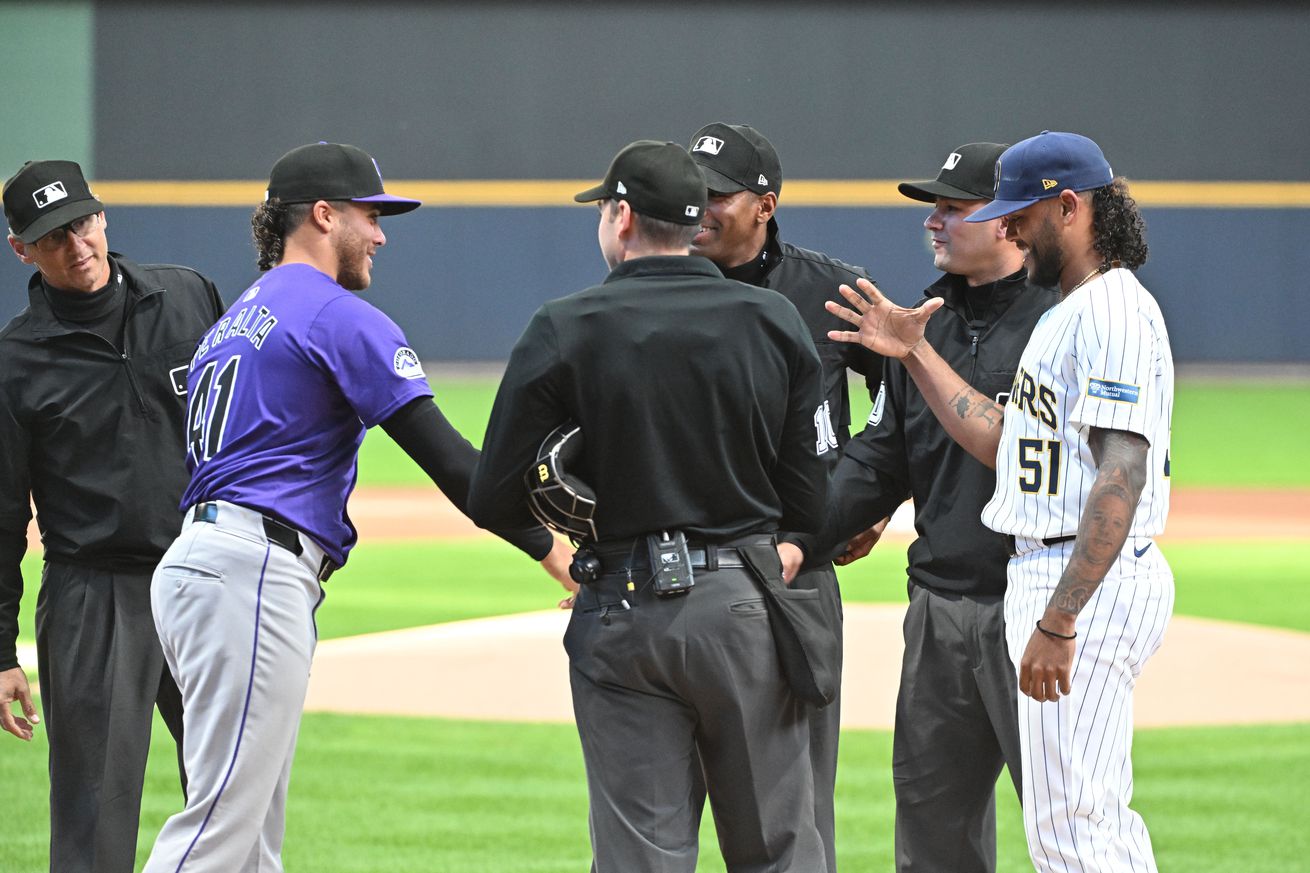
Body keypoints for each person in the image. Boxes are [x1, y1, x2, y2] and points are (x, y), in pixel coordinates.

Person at [141, 142, 573, 873]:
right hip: (251, 575)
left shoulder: (239, 318)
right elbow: (458, 469)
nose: (380, 234)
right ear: (322, 214)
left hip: (199, 567)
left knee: (247, 842)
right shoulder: (337, 317)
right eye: (370, 215)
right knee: (215, 836)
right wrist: (564, 555)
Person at [468, 140, 834, 872]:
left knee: (641, 856)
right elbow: (809, 501)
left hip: (620, 609)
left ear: (623, 216)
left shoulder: (566, 325)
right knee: (777, 849)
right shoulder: (773, 320)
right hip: (744, 604)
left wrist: (561, 547)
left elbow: (491, 494)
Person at [827, 131, 1174, 873]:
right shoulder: (1073, 313)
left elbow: (1122, 472)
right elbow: (1006, 440)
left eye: (1023, 212)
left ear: (1072, 206)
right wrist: (917, 352)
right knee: (1084, 826)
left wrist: (1059, 617)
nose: (1010, 225)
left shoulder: (1108, 311)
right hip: (1046, 579)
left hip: (1072, 587)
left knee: (1075, 834)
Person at [780, 142, 1057, 872]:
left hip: (1035, 606)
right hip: (939, 613)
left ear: (1008, 222)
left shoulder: (1063, 325)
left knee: (1070, 829)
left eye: (952, 207)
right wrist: (792, 538)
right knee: (934, 839)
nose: (933, 221)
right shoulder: (923, 323)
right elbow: (877, 463)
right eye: (932, 207)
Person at [1, 159, 224, 873]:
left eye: (80, 223)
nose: (76, 245)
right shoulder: (15, 362)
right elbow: (4, 512)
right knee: (92, 820)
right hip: (94, 598)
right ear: (21, 250)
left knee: (234, 797)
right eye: (52, 236)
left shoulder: (188, 296)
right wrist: (0, 649)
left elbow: (246, 428)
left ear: (102, 216)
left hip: (206, 576)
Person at [687, 121, 884, 870]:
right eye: (692, 192)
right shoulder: (661, 285)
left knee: (795, 806)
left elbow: (900, 399)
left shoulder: (828, 290)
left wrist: (864, 496)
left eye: (718, 195)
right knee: (665, 808)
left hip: (797, 570)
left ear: (764, 204)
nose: (701, 208)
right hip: (687, 563)